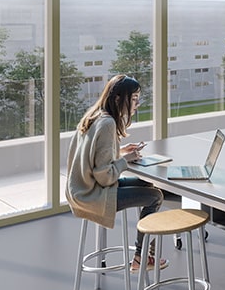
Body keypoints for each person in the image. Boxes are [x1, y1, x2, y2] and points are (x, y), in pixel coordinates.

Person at [65, 74, 167, 273]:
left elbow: (93, 157)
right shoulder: (108, 124)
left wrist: (120, 151)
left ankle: (144, 253)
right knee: (155, 196)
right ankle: (141, 256)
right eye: (134, 99)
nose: (137, 104)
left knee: (147, 185)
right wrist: (125, 161)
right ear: (119, 99)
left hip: (80, 190)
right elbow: (105, 176)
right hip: (93, 195)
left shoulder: (95, 115)